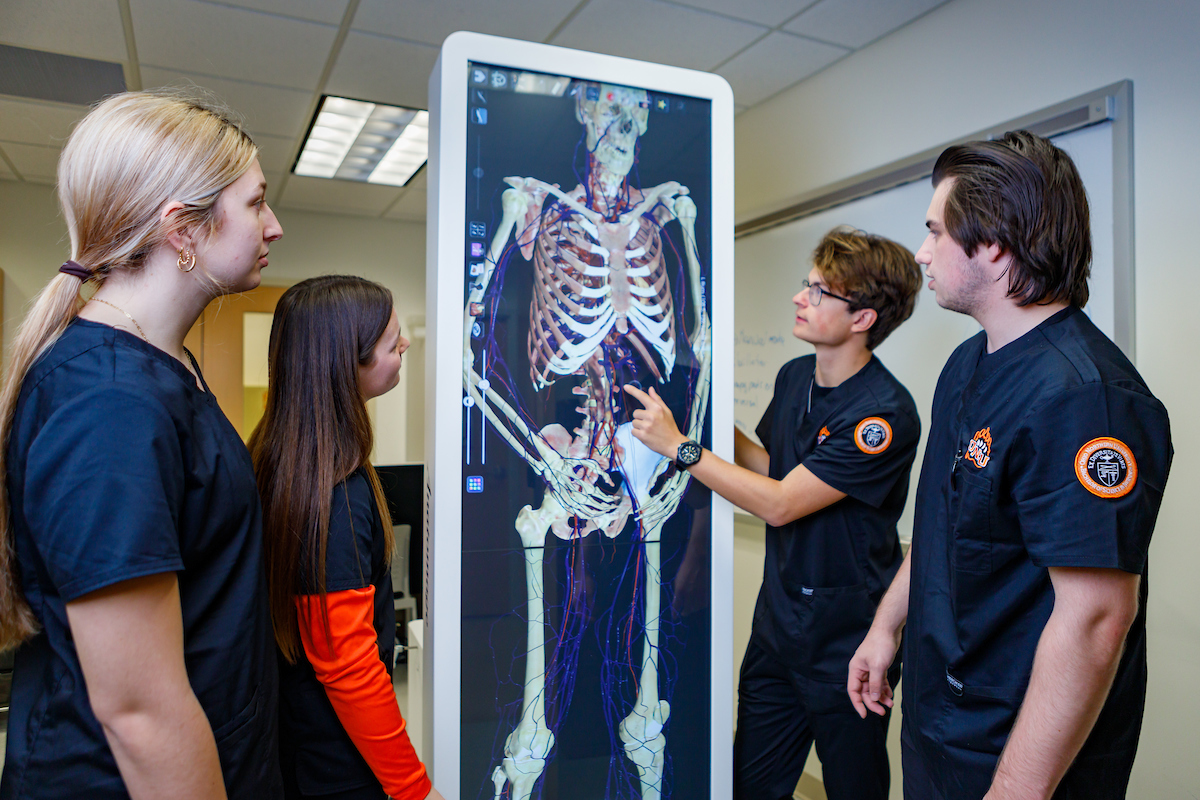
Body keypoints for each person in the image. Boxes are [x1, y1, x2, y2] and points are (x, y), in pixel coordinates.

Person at [848, 131, 1173, 799]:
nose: (922, 252)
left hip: (1019, 755)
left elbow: (1096, 619)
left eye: (936, 232)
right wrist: (886, 627)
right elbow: (944, 522)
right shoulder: (969, 364)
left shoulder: (1087, 399)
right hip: (943, 720)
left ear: (991, 245)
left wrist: (1017, 789)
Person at [0, 91, 284, 799]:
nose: (273, 227)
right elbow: (139, 712)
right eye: (255, 203)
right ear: (182, 228)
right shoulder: (108, 399)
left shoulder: (160, 367)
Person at [625, 226, 923, 800]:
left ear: (862, 318)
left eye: (818, 292)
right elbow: (773, 471)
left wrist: (679, 449)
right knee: (749, 787)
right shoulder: (793, 379)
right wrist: (703, 421)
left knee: (854, 790)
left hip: (849, 648)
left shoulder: (882, 416)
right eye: (806, 285)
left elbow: (782, 505)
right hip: (778, 633)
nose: (799, 298)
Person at [249, 276, 444, 800]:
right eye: (390, 341)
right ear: (347, 363)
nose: (404, 345)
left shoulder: (276, 455)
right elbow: (350, 666)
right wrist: (414, 789)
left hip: (295, 742)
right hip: (336, 766)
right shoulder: (333, 493)